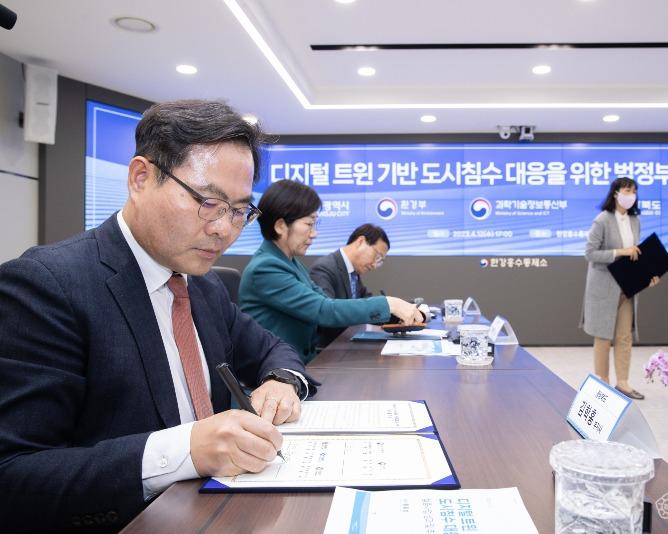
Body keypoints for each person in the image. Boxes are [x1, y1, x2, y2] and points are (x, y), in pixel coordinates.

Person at [0, 100, 318, 531]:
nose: (224, 229)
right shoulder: (47, 285)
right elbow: (14, 474)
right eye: (208, 202)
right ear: (141, 178)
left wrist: (281, 381)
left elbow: (273, 349)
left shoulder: (203, 286)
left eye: (239, 210)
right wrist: (185, 449)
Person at [239, 180, 423, 362]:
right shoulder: (266, 268)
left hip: (299, 363)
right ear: (280, 226)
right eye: (309, 224)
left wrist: (395, 310)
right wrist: (389, 304)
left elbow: (326, 302)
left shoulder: (291, 263)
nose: (314, 234)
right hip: (277, 372)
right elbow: (324, 310)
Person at [579, 177, 659, 400]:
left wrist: (649, 274)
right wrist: (619, 252)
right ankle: (602, 383)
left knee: (624, 336)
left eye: (633, 191)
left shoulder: (635, 220)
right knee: (603, 336)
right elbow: (590, 253)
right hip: (604, 287)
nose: (630, 195)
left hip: (627, 286)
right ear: (615, 193)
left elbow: (636, 253)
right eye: (626, 190)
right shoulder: (602, 220)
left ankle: (623, 383)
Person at [309, 223, 390, 346]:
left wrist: (398, 311)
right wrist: (390, 306)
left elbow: (367, 303)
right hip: (327, 349)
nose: (374, 265)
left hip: (345, 344)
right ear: (361, 242)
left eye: (380, 261)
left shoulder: (352, 272)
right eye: (377, 256)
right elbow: (327, 314)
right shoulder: (324, 268)